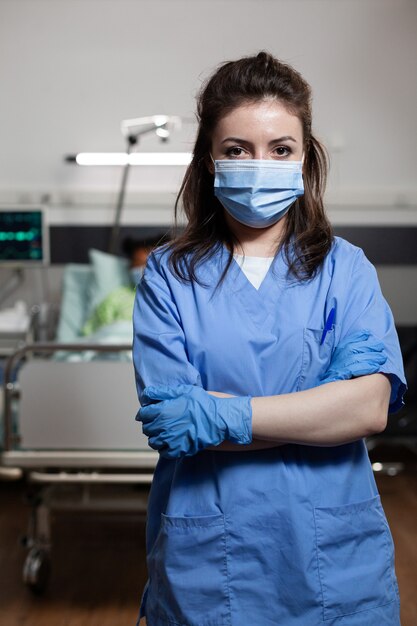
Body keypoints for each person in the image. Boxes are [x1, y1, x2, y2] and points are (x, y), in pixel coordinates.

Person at [133, 52, 406, 626]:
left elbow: (368, 406)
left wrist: (219, 415)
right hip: (210, 559)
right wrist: (316, 411)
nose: (260, 165)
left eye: (280, 149)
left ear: (304, 159)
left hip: (334, 553)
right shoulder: (168, 275)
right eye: (238, 150)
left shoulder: (345, 269)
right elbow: (173, 420)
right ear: (209, 160)